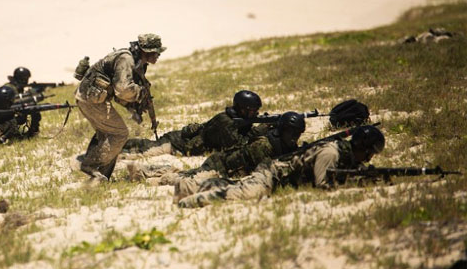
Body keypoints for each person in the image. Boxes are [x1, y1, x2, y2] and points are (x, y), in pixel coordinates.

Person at [177, 125, 385, 208]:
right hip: (273, 173)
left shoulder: (346, 156)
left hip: (280, 178)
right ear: (362, 147)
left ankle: (197, 186)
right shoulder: (331, 153)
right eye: (370, 152)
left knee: (237, 186)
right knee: (251, 192)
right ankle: (191, 201)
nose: (369, 157)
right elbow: (323, 186)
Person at [129, 111, 306, 189]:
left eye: (296, 134)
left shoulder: (277, 143)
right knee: (184, 179)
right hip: (219, 167)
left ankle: (147, 171)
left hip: (223, 166)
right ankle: (148, 176)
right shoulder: (264, 145)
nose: (293, 137)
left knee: (187, 173)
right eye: (290, 133)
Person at [75, 33, 166, 183]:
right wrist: (140, 93)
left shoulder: (136, 62)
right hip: (91, 99)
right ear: (146, 51)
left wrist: (133, 108)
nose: (158, 55)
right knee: (120, 134)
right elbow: (123, 90)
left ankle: (101, 176)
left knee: (108, 133)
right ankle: (91, 165)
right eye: (156, 52)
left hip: (91, 97)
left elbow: (117, 92)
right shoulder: (126, 60)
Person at [122, 90, 267, 156]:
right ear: (243, 110)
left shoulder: (233, 120)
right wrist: (259, 130)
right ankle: (112, 144)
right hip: (176, 144)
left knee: (142, 148)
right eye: (253, 111)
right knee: (141, 150)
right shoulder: (226, 122)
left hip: (181, 143)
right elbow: (238, 145)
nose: (256, 114)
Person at [3, 67, 41, 136]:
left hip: (8, 114)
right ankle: (33, 131)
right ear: (22, 79)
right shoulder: (11, 88)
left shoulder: (13, 86)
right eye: (26, 79)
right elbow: (16, 102)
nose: (27, 81)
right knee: (34, 109)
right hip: (7, 116)